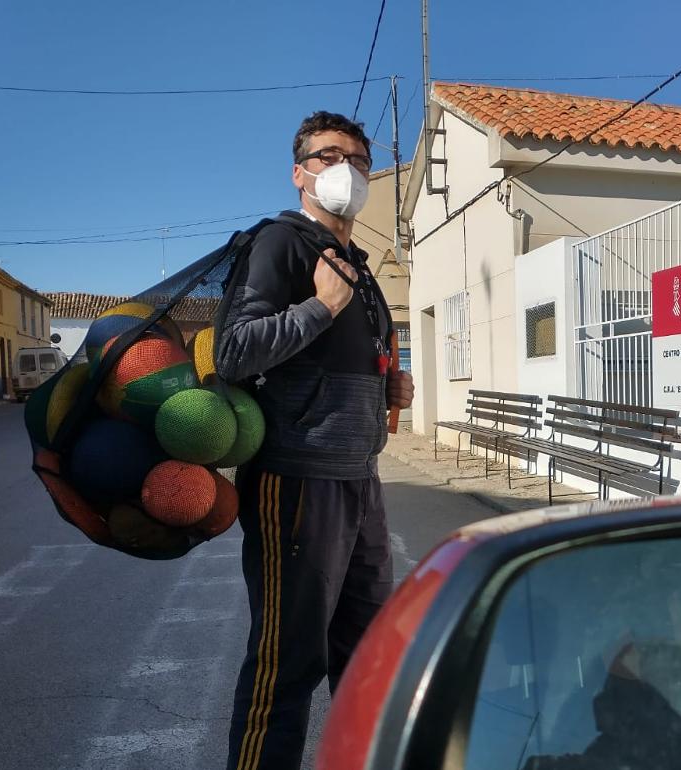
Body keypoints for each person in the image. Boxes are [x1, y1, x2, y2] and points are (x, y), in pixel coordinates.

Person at [214, 110, 415, 770]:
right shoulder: (281, 244)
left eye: (359, 160)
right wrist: (321, 306)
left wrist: (389, 383)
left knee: (366, 655)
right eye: (329, 157)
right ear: (300, 172)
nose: (347, 171)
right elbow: (235, 352)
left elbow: (353, 359)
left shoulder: (358, 263)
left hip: (360, 478)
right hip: (295, 480)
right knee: (286, 665)